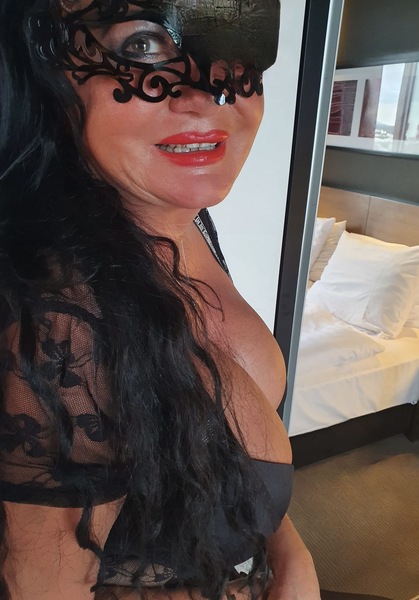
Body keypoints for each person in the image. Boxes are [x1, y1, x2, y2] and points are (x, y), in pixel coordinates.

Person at [0, 1, 321, 598]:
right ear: (51, 71)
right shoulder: (62, 324)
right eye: (143, 45)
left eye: (238, 44)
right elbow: (43, 584)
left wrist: (289, 551)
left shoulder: (180, 226)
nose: (208, 95)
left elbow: (231, 442)